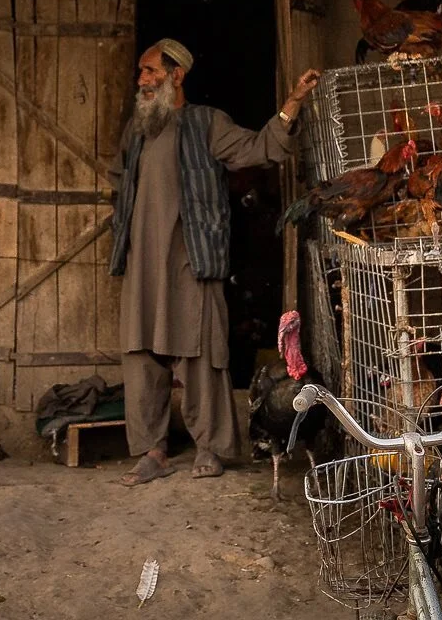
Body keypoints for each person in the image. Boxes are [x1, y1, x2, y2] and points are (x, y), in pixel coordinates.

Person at [107, 37, 319, 486]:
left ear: (176, 75)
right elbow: (118, 178)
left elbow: (259, 148)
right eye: (141, 73)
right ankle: (153, 451)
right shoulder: (137, 130)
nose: (141, 80)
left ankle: (210, 446)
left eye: (150, 71)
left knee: (202, 353)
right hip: (142, 262)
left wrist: (292, 104)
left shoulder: (206, 122)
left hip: (191, 259)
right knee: (141, 355)